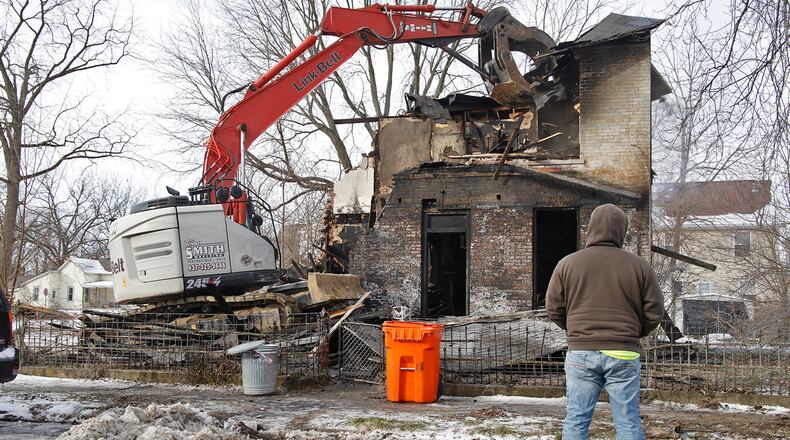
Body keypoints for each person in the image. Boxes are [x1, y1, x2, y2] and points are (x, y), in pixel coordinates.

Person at [546, 203, 663, 440]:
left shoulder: (567, 264)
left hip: (581, 352)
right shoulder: (640, 266)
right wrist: (632, 333)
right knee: (628, 421)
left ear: (590, 229)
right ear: (622, 230)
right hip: (624, 353)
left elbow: (553, 308)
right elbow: (655, 311)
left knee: (576, 419)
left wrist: (577, 329)